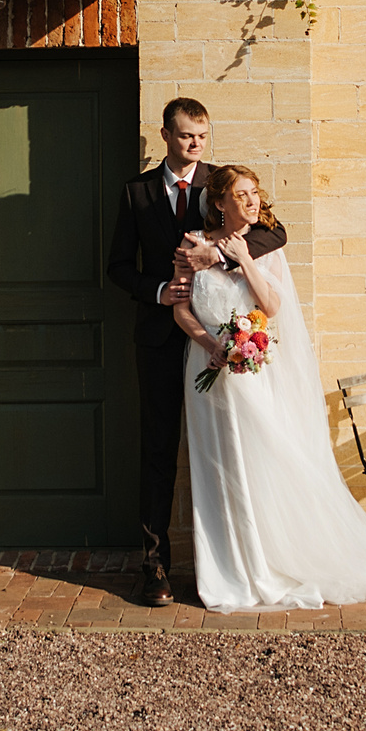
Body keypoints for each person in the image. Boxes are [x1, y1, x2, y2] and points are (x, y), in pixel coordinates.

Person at [172, 163, 366, 613]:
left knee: (261, 463)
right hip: (206, 373)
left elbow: (271, 305)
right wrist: (209, 342)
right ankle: (226, 572)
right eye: (242, 195)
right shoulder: (192, 244)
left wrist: (244, 260)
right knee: (216, 470)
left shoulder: (265, 247)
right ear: (219, 203)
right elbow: (179, 307)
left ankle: (269, 562)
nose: (253, 202)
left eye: (255, 193)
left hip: (250, 375)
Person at [105, 97, 285, 608]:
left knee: (232, 450)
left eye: (202, 137)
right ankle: (154, 565)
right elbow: (118, 266)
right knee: (158, 450)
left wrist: (219, 253)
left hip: (221, 348)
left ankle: (243, 558)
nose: (195, 144)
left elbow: (275, 230)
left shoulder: (220, 184)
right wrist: (159, 291)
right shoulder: (137, 191)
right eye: (186, 136)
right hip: (162, 340)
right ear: (165, 135)